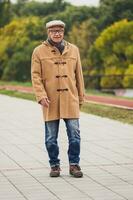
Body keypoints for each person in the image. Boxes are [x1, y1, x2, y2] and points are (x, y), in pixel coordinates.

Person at [31, 20, 85, 178]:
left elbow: (79, 75)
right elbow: (35, 77)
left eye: (60, 31)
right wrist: (40, 96)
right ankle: (54, 165)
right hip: (50, 100)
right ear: (48, 32)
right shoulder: (38, 51)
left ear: (63, 32)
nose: (57, 34)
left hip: (71, 98)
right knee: (50, 137)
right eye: (54, 31)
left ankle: (74, 165)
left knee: (75, 135)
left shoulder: (73, 50)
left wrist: (80, 96)